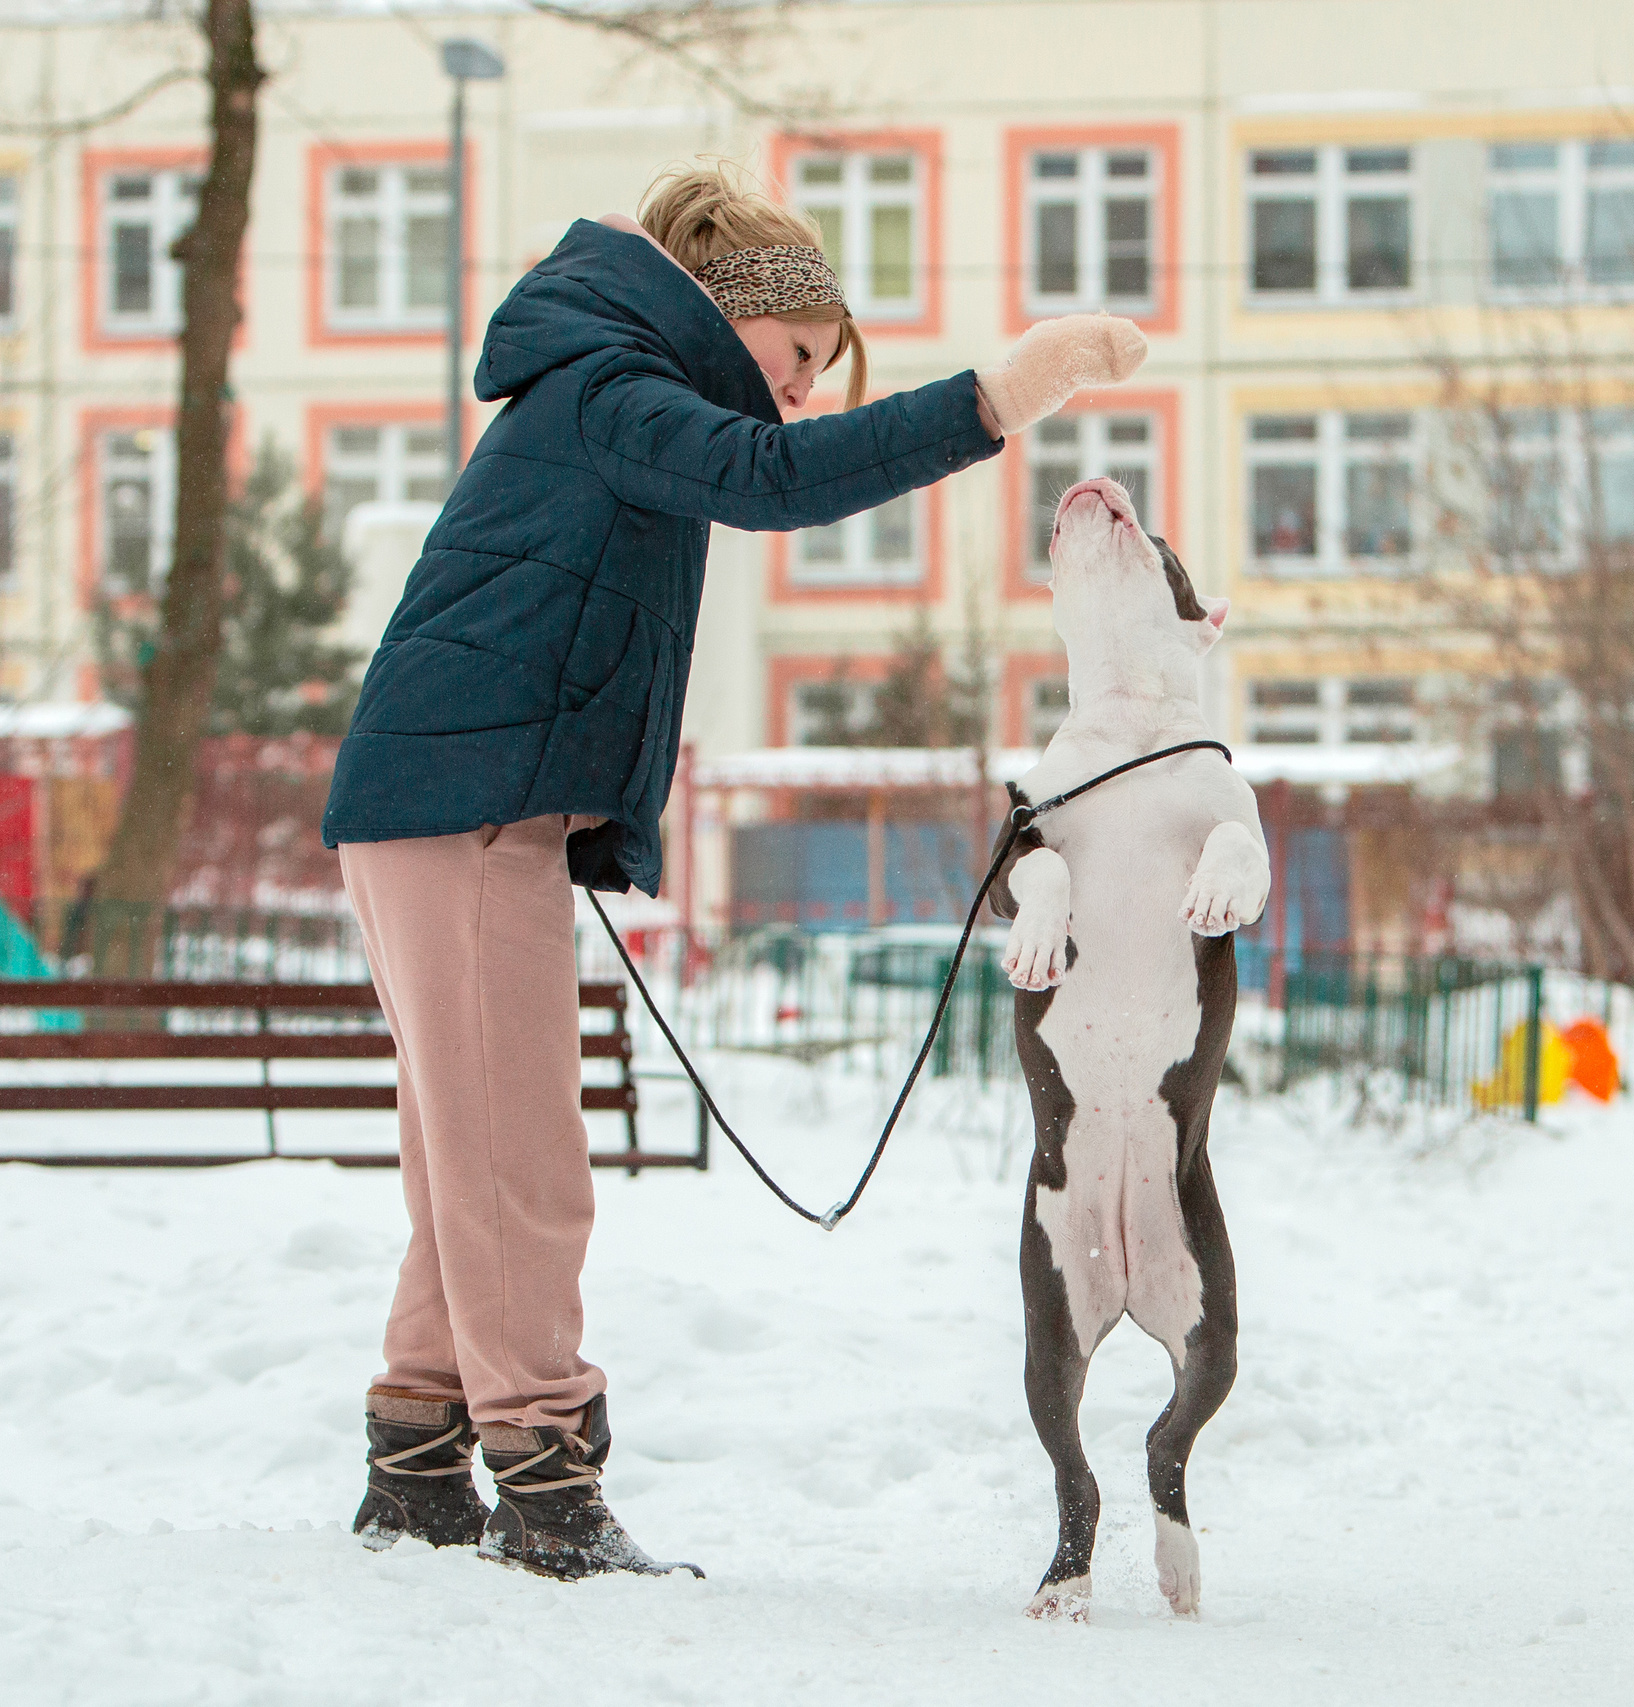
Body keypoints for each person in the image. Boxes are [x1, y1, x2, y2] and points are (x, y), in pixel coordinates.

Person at [322, 160, 1148, 1581]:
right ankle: (545, 1481)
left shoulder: (597, 385)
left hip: (447, 803)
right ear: (724, 308)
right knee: (522, 1163)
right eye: (799, 355)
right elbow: (776, 482)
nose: (806, 390)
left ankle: (417, 1460)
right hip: (465, 808)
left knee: (472, 1154)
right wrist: (999, 397)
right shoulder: (614, 388)